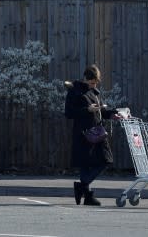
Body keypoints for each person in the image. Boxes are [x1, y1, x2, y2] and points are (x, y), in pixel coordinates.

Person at [64, 64, 117, 206]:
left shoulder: (94, 92)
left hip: (97, 133)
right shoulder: (75, 91)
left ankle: (81, 187)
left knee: (106, 160)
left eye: (95, 83)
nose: (93, 85)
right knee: (85, 164)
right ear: (85, 78)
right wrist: (87, 109)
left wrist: (113, 114)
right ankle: (87, 195)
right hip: (84, 133)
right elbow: (68, 113)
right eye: (91, 82)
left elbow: (101, 112)